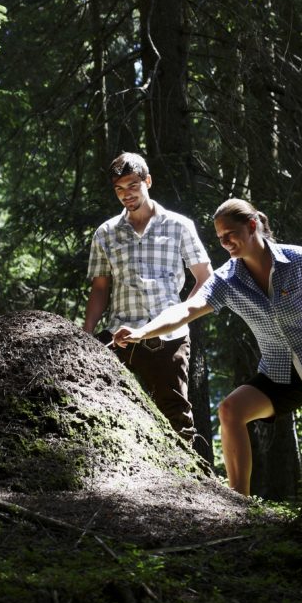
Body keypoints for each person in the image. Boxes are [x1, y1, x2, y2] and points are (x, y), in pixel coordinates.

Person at [113, 199, 302, 495]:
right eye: (220, 238)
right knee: (232, 410)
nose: (225, 242)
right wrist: (142, 331)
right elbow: (186, 310)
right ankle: (240, 504)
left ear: (252, 225)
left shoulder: (298, 260)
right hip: (282, 372)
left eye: (230, 234)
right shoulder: (226, 279)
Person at [84, 152, 212, 445]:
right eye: (119, 189)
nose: (126, 194)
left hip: (167, 336)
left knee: (175, 414)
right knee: (104, 406)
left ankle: (189, 484)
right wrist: (86, 334)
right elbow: (100, 288)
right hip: (119, 335)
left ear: (148, 181)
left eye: (132, 186)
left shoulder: (179, 225)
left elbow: (205, 278)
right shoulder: (105, 233)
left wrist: (181, 314)